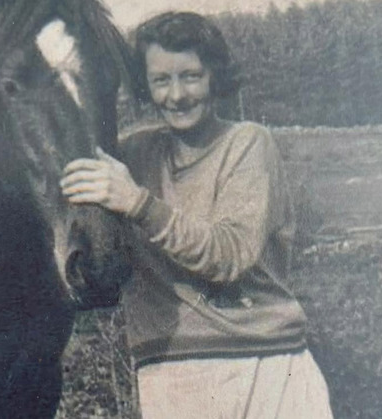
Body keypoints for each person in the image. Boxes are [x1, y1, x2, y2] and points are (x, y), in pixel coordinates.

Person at [60, 11, 333, 419]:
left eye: (190, 76)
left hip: (268, 365)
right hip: (173, 373)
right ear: (145, 87)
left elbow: (229, 255)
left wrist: (138, 203)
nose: (177, 95)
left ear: (215, 78)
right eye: (161, 80)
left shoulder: (247, 144)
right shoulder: (129, 156)